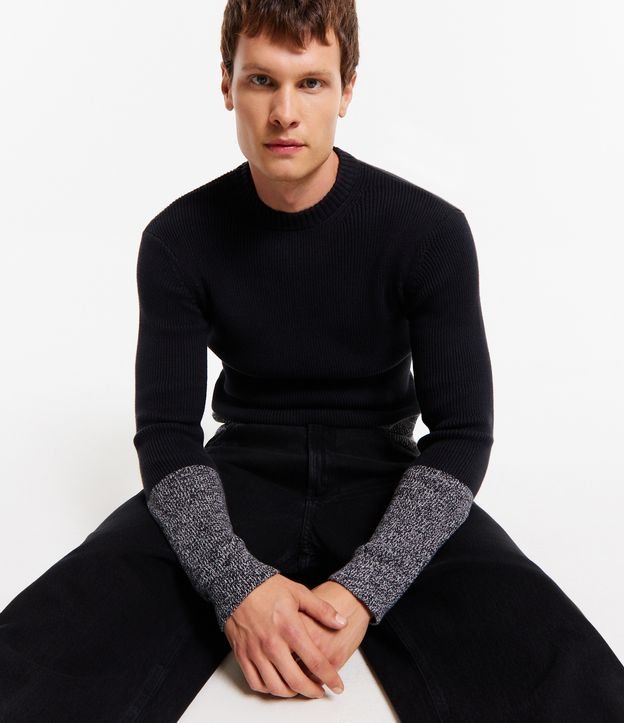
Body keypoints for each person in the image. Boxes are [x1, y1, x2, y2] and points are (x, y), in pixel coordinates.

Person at [1, 1, 624, 721]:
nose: (285, 113)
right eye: (262, 80)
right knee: (38, 649)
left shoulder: (428, 232)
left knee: (564, 672)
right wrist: (236, 585)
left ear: (347, 89)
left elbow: (461, 436)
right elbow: (166, 435)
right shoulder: (178, 238)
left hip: (385, 479)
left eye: (312, 83)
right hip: (238, 474)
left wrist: (364, 589)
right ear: (227, 85)